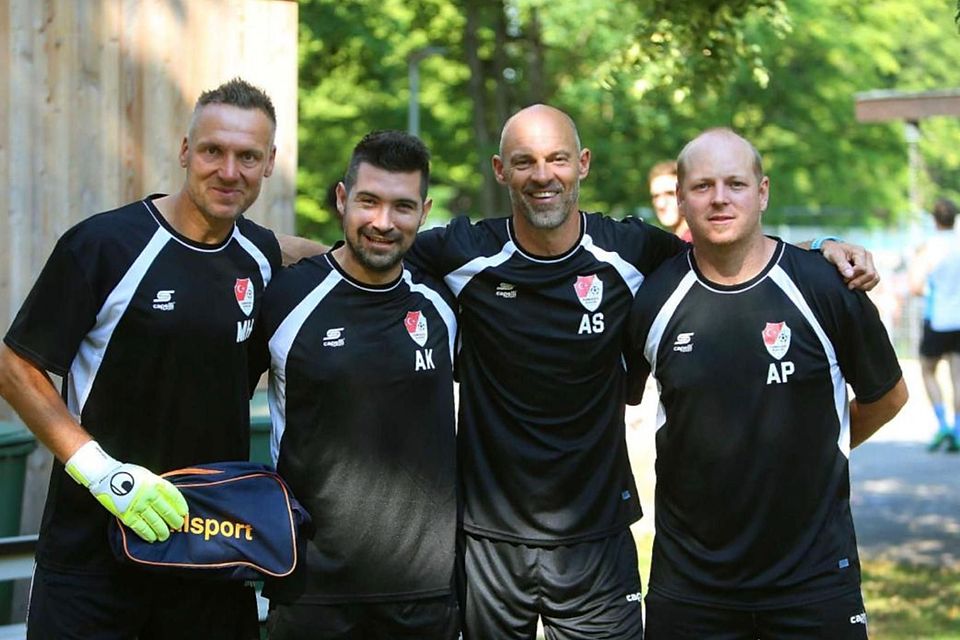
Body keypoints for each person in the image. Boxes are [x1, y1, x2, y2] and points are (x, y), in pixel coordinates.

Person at [404, 104, 878, 639]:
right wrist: (284, 254)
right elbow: (369, 251)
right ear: (499, 170)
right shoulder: (461, 253)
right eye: (524, 162)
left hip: (598, 541)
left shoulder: (631, 253)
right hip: (488, 540)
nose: (543, 176)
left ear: (582, 163)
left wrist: (821, 250)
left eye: (558, 158)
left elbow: (730, 248)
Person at [0, 78, 318, 639]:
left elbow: (323, 256)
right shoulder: (104, 246)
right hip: (92, 554)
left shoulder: (261, 256)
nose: (228, 170)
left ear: (269, 164)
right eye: (212, 150)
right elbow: (14, 365)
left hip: (209, 546)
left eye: (248, 156)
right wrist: (104, 475)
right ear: (184, 151)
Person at [626, 128, 908, 639]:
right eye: (702, 186)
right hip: (691, 585)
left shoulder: (824, 286)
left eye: (735, 183)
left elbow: (888, 397)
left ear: (762, 192)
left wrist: (823, 447)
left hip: (814, 578)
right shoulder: (654, 297)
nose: (719, 198)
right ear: (682, 199)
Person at [251, 131, 459, 639]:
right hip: (309, 588)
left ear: (425, 211)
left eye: (403, 207)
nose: (384, 223)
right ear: (342, 198)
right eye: (369, 201)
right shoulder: (286, 299)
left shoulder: (443, 302)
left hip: (424, 591)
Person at [908, 197, 960, 452]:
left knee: (928, 370)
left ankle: (943, 426)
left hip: (938, 317)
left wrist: (931, 292)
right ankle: (959, 430)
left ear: (934, 220)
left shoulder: (929, 248)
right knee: (958, 375)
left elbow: (915, 285)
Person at [649, 159, 692, 241]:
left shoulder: (699, 245)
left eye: (670, 194)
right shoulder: (671, 246)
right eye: (656, 196)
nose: (660, 204)